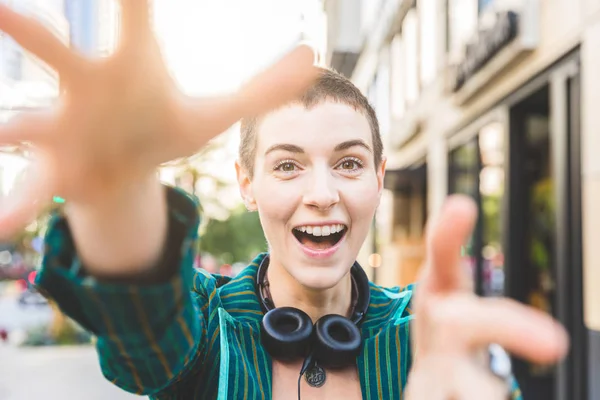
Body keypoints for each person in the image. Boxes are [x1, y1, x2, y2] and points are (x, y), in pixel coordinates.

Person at [0, 2, 568, 399]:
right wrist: (118, 185)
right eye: (288, 165)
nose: (321, 195)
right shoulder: (206, 331)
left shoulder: (428, 335)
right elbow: (141, 316)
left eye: (348, 163)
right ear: (246, 183)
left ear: (378, 177)